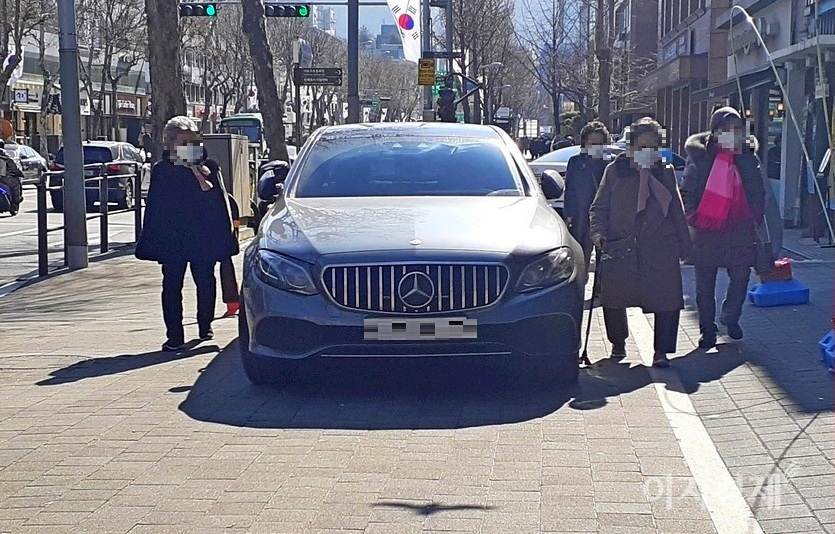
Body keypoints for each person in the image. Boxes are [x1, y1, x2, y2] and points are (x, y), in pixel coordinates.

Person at [589, 117, 691, 367]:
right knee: (614, 298)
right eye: (642, 146)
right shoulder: (615, 170)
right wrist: (598, 232)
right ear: (631, 146)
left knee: (667, 299)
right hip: (621, 245)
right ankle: (618, 343)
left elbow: (676, 209)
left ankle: (662, 351)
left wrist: (685, 245)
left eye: (652, 146)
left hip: (659, 245)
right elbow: (598, 207)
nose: (647, 152)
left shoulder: (664, 171)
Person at [135, 116, 239, 352]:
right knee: (172, 285)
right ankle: (174, 336)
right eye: (181, 141)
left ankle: (205, 325)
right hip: (174, 239)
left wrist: (196, 171)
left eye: (191, 140)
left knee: (205, 280)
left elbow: (219, 202)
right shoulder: (163, 170)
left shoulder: (209, 167)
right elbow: (156, 208)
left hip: (203, 237)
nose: (187, 146)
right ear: (171, 144)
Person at [681, 107, 766, 349]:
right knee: (704, 283)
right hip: (707, 227)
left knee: (741, 276)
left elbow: (758, 191)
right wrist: (693, 216)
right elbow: (688, 189)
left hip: (739, 227)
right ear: (715, 130)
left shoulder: (747, 156)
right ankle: (707, 329)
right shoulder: (700, 156)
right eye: (726, 129)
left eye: (736, 129)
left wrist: (755, 218)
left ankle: (731, 315)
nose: (731, 134)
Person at [564, 120, 611, 268]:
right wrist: (569, 215)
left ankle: (600, 290)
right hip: (581, 216)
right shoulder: (576, 162)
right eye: (592, 142)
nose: (595, 147)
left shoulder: (610, 164)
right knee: (579, 260)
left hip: (604, 217)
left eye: (599, 143)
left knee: (604, 262)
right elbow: (570, 188)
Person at [0, 139, 24, 214]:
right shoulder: (4, 155)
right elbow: (13, 166)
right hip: (4, 178)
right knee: (16, 184)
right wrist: (19, 172)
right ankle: (15, 202)